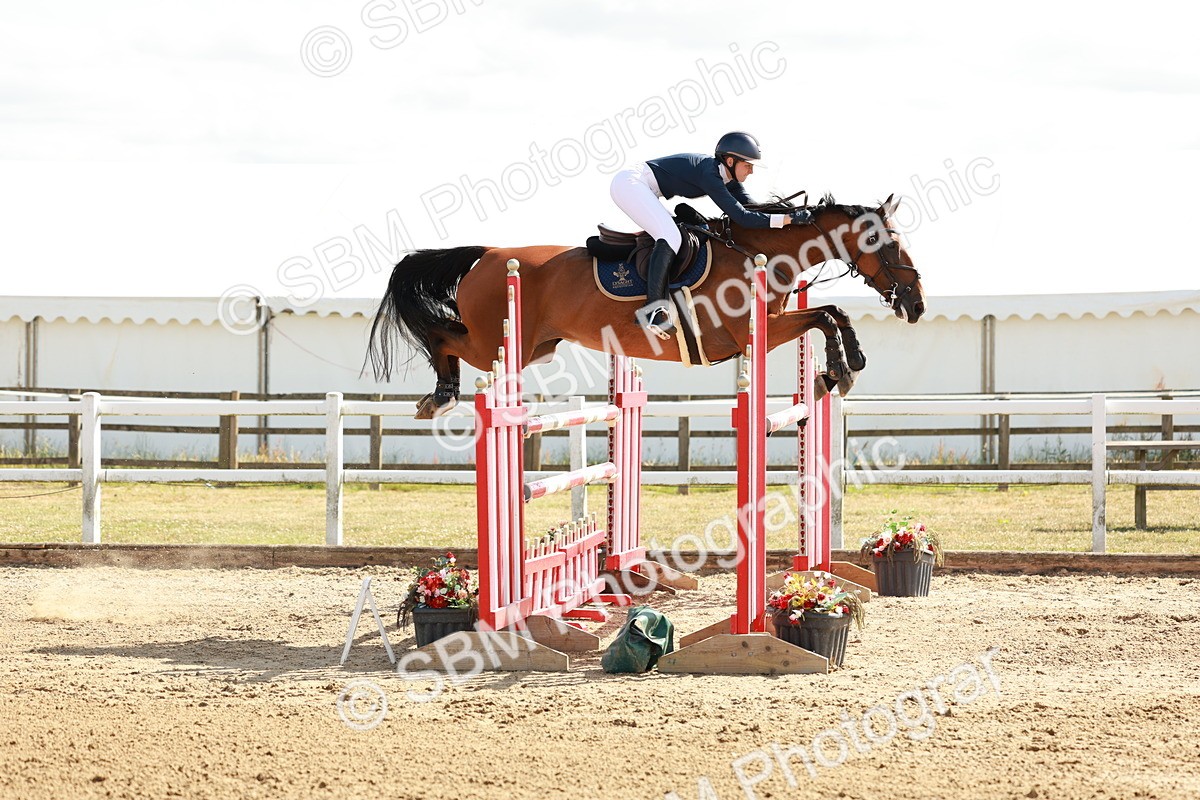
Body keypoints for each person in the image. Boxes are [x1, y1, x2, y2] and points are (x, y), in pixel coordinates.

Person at [609, 131, 812, 337]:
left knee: (683, 231)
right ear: (731, 161)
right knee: (671, 235)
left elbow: (752, 209)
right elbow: (741, 217)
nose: (751, 171)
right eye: (748, 165)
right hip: (631, 184)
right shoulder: (710, 174)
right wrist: (787, 220)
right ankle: (653, 310)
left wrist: (791, 215)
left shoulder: (726, 177)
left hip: (643, 188)